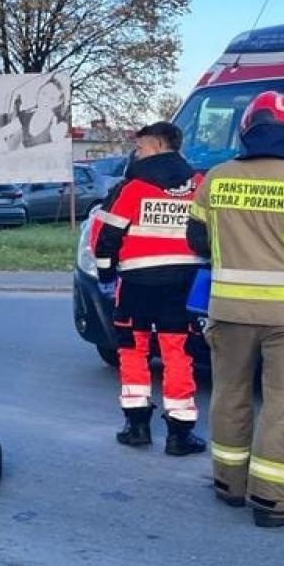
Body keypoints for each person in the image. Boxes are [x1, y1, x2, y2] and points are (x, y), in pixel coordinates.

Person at [186, 91, 284, 527]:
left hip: (228, 311)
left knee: (229, 395)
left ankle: (229, 483)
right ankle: (274, 499)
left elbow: (196, 242)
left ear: (247, 131)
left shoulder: (217, 179)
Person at [94, 122, 206, 454]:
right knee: (178, 352)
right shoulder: (199, 185)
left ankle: (137, 426)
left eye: (140, 148)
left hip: (136, 284)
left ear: (157, 146)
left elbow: (106, 239)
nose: (136, 154)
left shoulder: (132, 187)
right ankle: (180, 434)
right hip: (183, 284)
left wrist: (105, 277)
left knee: (133, 349)